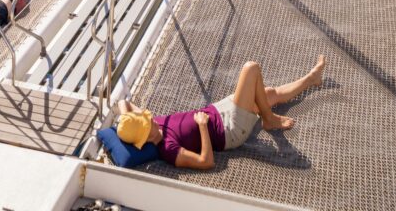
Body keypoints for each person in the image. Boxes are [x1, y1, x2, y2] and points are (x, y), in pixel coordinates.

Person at [116, 56, 326, 170]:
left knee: (269, 93)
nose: (150, 117)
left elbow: (123, 103)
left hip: (220, 110)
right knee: (251, 68)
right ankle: (269, 119)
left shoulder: (157, 124)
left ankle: (311, 79)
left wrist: (126, 122)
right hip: (229, 130)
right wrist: (201, 127)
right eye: (146, 121)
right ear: (145, 135)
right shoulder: (168, 149)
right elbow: (206, 162)